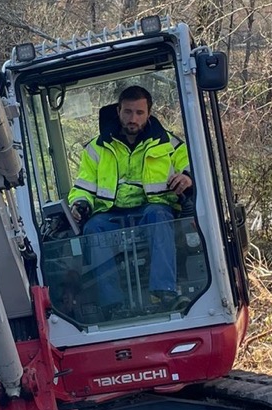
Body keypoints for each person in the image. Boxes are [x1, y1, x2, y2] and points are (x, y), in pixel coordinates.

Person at [67, 85, 192, 308]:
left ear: (149, 114)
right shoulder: (97, 148)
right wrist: (81, 203)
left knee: (159, 215)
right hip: (111, 214)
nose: (133, 118)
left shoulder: (168, 144)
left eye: (139, 113)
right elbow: (83, 186)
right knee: (93, 228)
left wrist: (187, 178)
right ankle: (112, 305)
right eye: (127, 112)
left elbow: (192, 165)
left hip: (151, 208)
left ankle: (165, 292)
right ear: (118, 111)